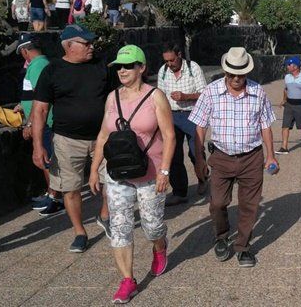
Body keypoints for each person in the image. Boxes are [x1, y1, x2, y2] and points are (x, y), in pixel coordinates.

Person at [89, 45, 175, 304]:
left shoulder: (155, 97)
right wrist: (94, 169)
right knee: (120, 227)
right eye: (118, 67)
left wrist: (165, 171)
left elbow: (170, 136)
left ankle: (159, 247)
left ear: (141, 68)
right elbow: (104, 135)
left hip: (150, 172)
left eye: (128, 66)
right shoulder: (112, 98)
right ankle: (128, 280)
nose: (122, 71)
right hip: (118, 173)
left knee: (152, 226)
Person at [189, 47, 278, 268]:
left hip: (251, 157)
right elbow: (199, 126)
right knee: (218, 203)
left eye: (241, 74)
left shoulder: (258, 92)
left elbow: (265, 126)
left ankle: (243, 247)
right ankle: (221, 236)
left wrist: (271, 156)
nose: (237, 78)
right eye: (232, 74)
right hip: (221, 157)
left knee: (250, 206)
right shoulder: (210, 92)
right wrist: (199, 159)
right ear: (225, 71)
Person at [31, 25, 112, 253]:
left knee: (111, 181)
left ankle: (104, 214)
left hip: (102, 137)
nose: (91, 47)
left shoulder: (101, 65)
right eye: (86, 43)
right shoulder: (52, 71)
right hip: (67, 140)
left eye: (91, 43)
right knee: (70, 188)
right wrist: (38, 146)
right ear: (69, 46)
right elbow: (40, 110)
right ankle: (79, 231)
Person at [13, 34, 64, 216]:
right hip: (44, 121)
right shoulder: (42, 64)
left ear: (25, 50)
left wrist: (30, 122)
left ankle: (54, 197)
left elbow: (39, 97)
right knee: (48, 159)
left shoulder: (37, 66)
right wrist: (22, 105)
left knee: (46, 160)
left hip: (44, 122)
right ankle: (52, 194)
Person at [156, 44, 209, 206]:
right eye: (166, 61)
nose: (169, 64)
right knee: (173, 155)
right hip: (171, 116)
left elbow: (205, 94)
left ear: (180, 55)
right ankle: (180, 192)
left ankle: (202, 179)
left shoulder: (193, 68)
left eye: (172, 60)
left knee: (196, 151)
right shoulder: (163, 71)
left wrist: (186, 96)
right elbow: (159, 95)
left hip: (192, 115)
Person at [276, 56, 301, 154]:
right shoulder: (287, 77)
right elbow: (286, 89)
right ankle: (284, 147)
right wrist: (284, 100)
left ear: (296, 66)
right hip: (289, 104)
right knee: (285, 125)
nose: (287, 66)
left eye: (289, 65)